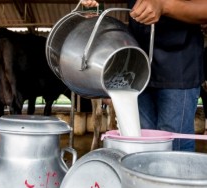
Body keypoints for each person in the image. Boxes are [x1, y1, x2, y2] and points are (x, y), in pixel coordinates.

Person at [81, 0, 207, 151]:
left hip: (178, 65)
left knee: (173, 146)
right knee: (139, 143)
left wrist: (164, 5)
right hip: (136, 63)